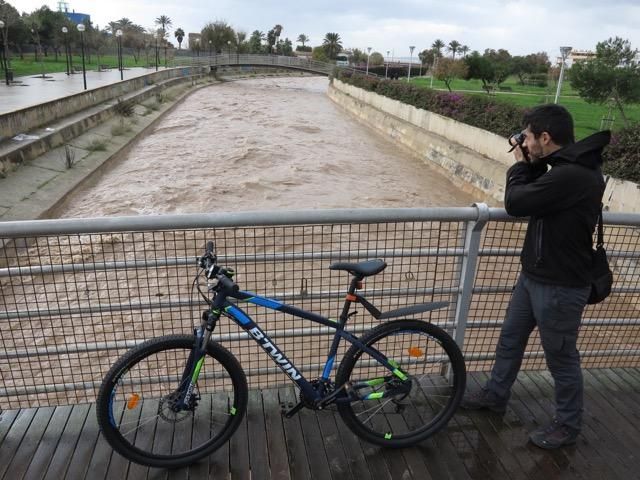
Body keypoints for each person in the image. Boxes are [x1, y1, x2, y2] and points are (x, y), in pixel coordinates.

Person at [460, 104, 610, 449]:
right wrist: (531, 162)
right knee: (510, 340)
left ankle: (568, 425)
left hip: (560, 284)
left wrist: (519, 166)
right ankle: (495, 396)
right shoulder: (561, 168)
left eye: (526, 137)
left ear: (545, 137)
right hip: (534, 277)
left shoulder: (571, 175)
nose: (523, 142)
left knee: (561, 357)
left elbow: (516, 202)